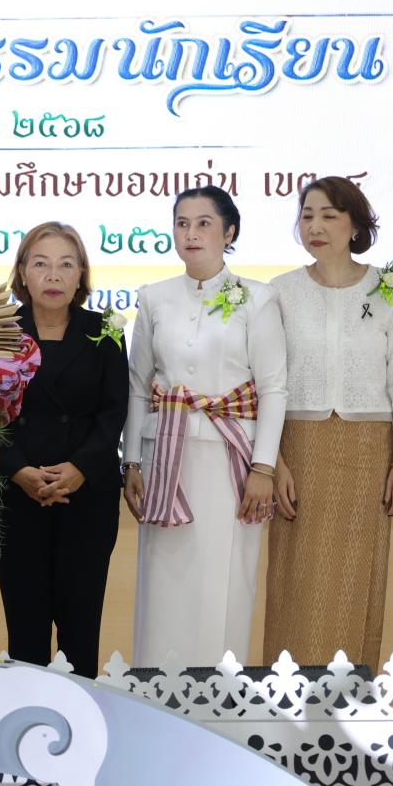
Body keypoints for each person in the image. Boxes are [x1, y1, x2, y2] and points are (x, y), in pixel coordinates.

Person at [262, 178, 393, 669]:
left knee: (357, 577)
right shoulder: (280, 292)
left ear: (355, 225)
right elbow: (266, 381)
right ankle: (288, 698)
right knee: (297, 582)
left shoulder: (388, 290)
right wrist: (274, 463)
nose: (315, 226)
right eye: (307, 215)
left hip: (367, 452)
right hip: (298, 450)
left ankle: (349, 696)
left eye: (329, 215)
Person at [122, 186, 287, 666]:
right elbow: (139, 386)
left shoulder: (258, 298)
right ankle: (155, 692)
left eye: (203, 223)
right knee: (164, 586)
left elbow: (274, 388)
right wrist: (131, 461)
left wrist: (264, 467)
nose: (190, 234)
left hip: (230, 461)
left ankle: (221, 694)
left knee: (224, 581)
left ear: (229, 232)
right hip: (165, 458)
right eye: (182, 223)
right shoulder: (154, 298)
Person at [0, 223, 126, 678]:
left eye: (66, 264)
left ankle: (83, 720)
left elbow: (114, 412)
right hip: (17, 495)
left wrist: (79, 468)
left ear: (80, 274)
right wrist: (20, 471)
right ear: (23, 273)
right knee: (25, 635)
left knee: (80, 633)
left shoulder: (104, 331)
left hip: (87, 496)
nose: (53, 275)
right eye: (41, 263)